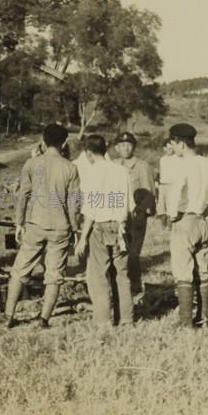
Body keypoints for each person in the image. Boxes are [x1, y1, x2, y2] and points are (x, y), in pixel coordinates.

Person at [0, 123, 81, 328]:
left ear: (43, 141)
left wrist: (19, 223)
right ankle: (43, 319)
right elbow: (74, 204)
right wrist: (74, 228)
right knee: (54, 275)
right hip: (60, 227)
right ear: (64, 143)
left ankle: (8, 316)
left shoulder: (31, 164)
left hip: (35, 223)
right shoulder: (70, 168)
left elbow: (23, 197)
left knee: (20, 270)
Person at [167, 123, 208, 328]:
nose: (172, 147)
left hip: (185, 221)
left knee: (183, 271)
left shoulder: (182, 165)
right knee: (203, 271)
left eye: (173, 143)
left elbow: (175, 194)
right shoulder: (205, 162)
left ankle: (186, 323)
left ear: (181, 144)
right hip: (202, 221)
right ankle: (203, 318)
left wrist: (172, 215)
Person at [74, 135, 135, 328]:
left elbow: (90, 211)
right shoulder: (122, 171)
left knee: (98, 276)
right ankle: (126, 319)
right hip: (120, 226)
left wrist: (82, 238)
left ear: (89, 153)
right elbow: (130, 205)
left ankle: (103, 320)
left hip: (99, 227)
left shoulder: (91, 173)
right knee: (121, 275)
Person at [112, 132, 156, 303]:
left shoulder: (142, 166)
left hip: (135, 216)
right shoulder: (113, 165)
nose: (125, 148)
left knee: (132, 253)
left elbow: (149, 194)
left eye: (129, 145)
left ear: (134, 147)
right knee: (117, 253)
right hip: (117, 215)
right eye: (121, 145)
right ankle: (118, 288)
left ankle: (135, 289)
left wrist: (140, 212)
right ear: (116, 147)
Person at [156, 138, 183, 230]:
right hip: (163, 185)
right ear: (164, 148)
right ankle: (162, 226)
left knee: (171, 206)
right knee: (161, 206)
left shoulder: (178, 159)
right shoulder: (162, 159)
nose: (170, 151)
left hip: (172, 185)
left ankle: (169, 226)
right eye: (168, 148)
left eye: (172, 149)